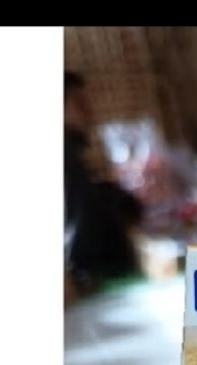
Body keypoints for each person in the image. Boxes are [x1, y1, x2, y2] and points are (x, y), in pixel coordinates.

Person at [64, 70, 143, 295]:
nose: (89, 112)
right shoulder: (65, 156)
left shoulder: (71, 154)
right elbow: (83, 224)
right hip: (96, 280)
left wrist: (114, 193)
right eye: (80, 104)